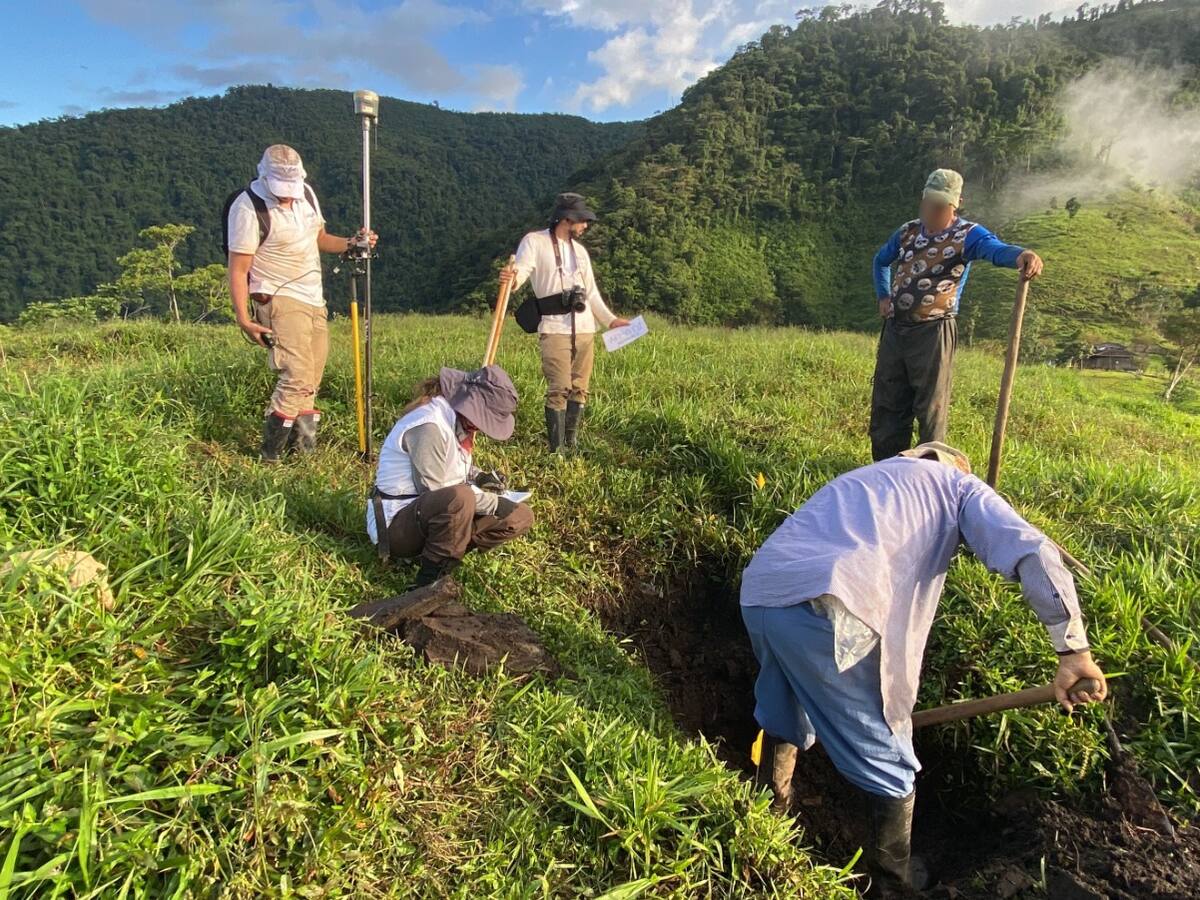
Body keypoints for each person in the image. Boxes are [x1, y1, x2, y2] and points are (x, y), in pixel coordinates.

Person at [739, 442, 1106, 893]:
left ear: (914, 456)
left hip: (761, 592)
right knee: (888, 763)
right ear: (956, 467)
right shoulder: (959, 487)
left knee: (785, 707)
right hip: (830, 608)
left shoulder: (867, 477)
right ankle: (890, 884)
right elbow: (1033, 552)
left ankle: (764, 819)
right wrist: (1073, 651)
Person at [870, 169, 1044, 461]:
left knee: (930, 407)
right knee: (888, 400)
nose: (933, 210)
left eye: (942, 205)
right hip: (896, 329)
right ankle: (887, 466)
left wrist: (1021, 255)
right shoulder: (908, 232)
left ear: (957, 203)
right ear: (922, 199)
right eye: (930, 203)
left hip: (934, 332)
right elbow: (881, 260)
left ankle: (929, 472)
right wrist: (884, 296)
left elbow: (994, 250)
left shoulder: (967, 235)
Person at [227, 144, 378, 462]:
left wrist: (352, 243)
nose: (286, 196)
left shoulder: (306, 195)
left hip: (313, 298)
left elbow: (320, 239)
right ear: (264, 176)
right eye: (281, 189)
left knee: (311, 380)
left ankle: (304, 457)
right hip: (278, 297)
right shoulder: (247, 207)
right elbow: (238, 270)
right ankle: (270, 459)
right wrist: (244, 318)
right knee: (296, 375)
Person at [367, 365, 534, 586]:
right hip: (396, 527)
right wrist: (493, 503)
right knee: (460, 499)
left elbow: (448, 465)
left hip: (429, 517)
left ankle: (442, 559)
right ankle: (427, 584)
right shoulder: (428, 426)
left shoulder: (456, 420)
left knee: (520, 516)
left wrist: (480, 476)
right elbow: (440, 491)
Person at [498, 193, 633, 452]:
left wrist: (611, 320)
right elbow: (521, 273)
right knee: (559, 387)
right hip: (554, 328)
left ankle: (571, 443)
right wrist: (510, 279)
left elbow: (591, 292)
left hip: (584, 329)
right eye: (582, 220)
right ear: (567, 219)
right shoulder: (535, 242)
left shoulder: (580, 252)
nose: (585, 226)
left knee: (580, 388)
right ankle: (556, 449)